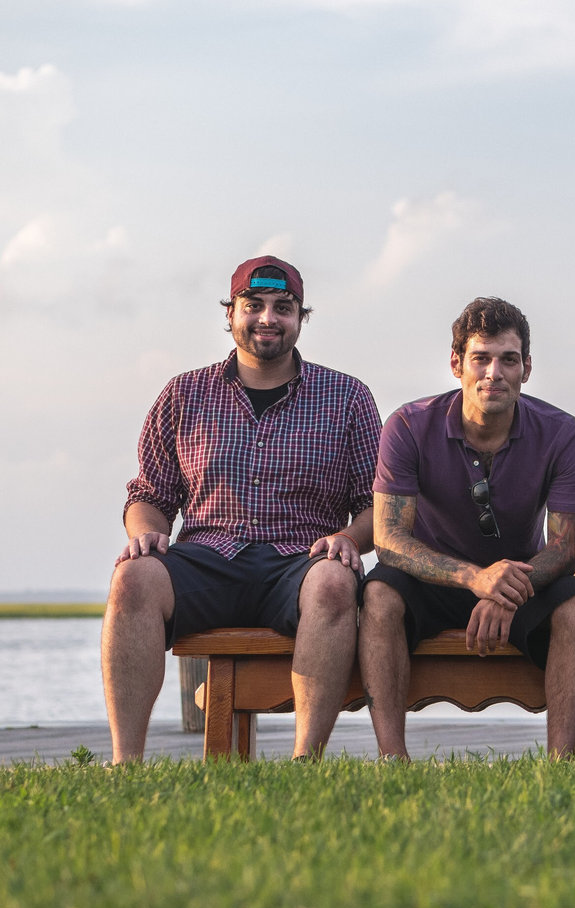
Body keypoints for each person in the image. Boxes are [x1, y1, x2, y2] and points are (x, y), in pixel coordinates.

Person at [102, 256, 382, 763]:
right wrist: (146, 532)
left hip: (301, 562)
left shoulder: (348, 398)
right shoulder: (184, 394)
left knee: (336, 581)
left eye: (283, 307)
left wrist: (348, 539)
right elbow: (149, 493)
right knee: (132, 577)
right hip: (208, 561)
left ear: (301, 319)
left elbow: (374, 504)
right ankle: (125, 765)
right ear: (230, 314)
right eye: (253, 305)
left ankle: (305, 761)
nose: (267, 318)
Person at [359, 297, 575, 759]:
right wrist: (475, 578)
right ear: (456, 364)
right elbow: (388, 540)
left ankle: (562, 765)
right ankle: (392, 759)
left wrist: (504, 590)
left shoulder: (563, 433)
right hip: (432, 582)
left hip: (519, 583)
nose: (494, 373)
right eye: (481, 359)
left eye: (509, 360)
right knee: (379, 592)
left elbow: (565, 548)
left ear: (527, 368)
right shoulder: (407, 425)